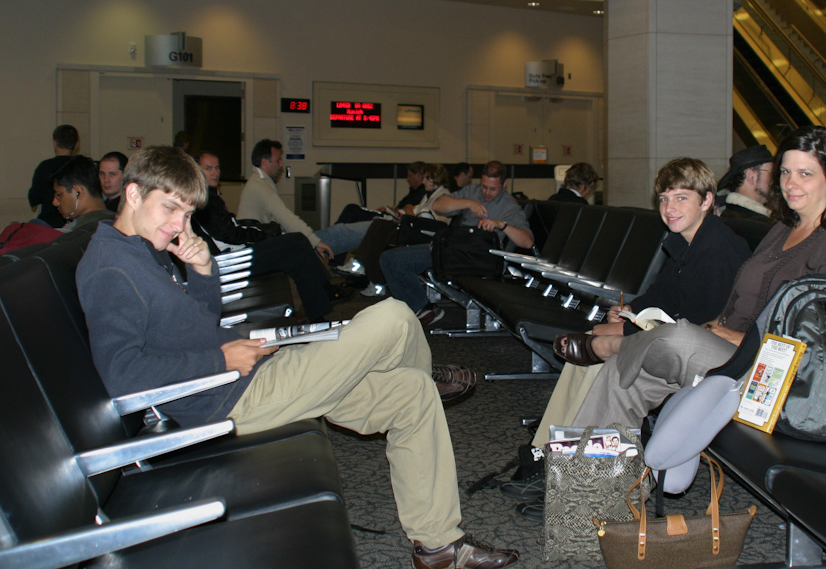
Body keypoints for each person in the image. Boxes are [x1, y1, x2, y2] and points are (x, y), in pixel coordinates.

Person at [76, 146, 519, 569]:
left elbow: (198, 322)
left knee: (413, 394)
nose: (179, 225)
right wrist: (222, 361)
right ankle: (418, 367)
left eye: (188, 214)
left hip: (250, 376)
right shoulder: (111, 269)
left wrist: (203, 271)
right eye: (171, 209)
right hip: (230, 401)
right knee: (394, 316)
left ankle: (439, 546)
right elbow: (122, 376)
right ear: (133, 194)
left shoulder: (142, 250)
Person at [551, 127, 826, 470]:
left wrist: (738, 336)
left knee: (676, 337)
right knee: (621, 378)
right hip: (734, 356)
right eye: (785, 171)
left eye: (805, 173)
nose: (790, 183)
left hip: (785, 379)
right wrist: (719, 326)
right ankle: (590, 493)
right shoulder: (783, 231)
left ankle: (614, 345)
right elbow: (743, 300)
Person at [503, 159, 751, 515]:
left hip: (700, 355)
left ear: (707, 201)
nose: (670, 208)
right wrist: (629, 313)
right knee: (590, 340)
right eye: (664, 199)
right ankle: (551, 449)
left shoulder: (718, 251)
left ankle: (572, 467)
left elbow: (696, 324)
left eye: (682, 198)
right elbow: (660, 297)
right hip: (672, 339)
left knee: (605, 356)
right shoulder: (686, 244)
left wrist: (629, 329)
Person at [192, 151, 343, 321]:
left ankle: (320, 304)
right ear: (196, 171)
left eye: (217, 167)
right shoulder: (204, 200)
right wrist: (260, 234)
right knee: (295, 242)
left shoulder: (208, 196)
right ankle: (323, 298)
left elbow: (227, 230)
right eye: (208, 168)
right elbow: (229, 235)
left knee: (296, 246)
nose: (215, 172)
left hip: (235, 253)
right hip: (233, 260)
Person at [379, 161, 534, 325]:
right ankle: (419, 308)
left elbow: (527, 242)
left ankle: (421, 309)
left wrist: (501, 225)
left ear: (505, 184)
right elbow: (438, 206)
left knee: (393, 261)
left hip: (473, 257)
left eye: (493, 188)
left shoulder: (510, 207)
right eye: (484, 186)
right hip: (453, 248)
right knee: (388, 257)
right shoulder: (472, 192)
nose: (487, 193)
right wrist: (468, 203)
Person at [237, 139, 368, 261]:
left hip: (265, 245)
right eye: (278, 161)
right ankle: (375, 228)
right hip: (266, 249)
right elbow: (287, 219)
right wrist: (315, 241)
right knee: (339, 233)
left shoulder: (257, 183)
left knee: (337, 230)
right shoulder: (260, 187)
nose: (281, 165)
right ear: (265, 162)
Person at [335, 162, 428, 225]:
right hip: (390, 216)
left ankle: (333, 235)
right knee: (352, 210)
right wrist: (390, 209)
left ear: (418, 176)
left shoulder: (423, 194)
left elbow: (410, 214)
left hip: (391, 220)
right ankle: (335, 234)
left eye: (409, 176)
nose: (407, 179)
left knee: (352, 210)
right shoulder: (414, 192)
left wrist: (394, 211)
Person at [29, 124, 79, 227]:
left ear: (54, 143)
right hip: (75, 223)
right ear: (76, 145)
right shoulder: (80, 166)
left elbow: (34, 198)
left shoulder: (44, 167)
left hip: (48, 223)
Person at [52, 156, 116, 232]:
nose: (55, 202)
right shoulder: (119, 222)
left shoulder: (81, 231)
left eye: (59, 195)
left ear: (78, 192)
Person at [715, 145, 773, 223]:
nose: (775, 179)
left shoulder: (729, 215)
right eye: (771, 172)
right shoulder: (752, 223)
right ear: (751, 175)